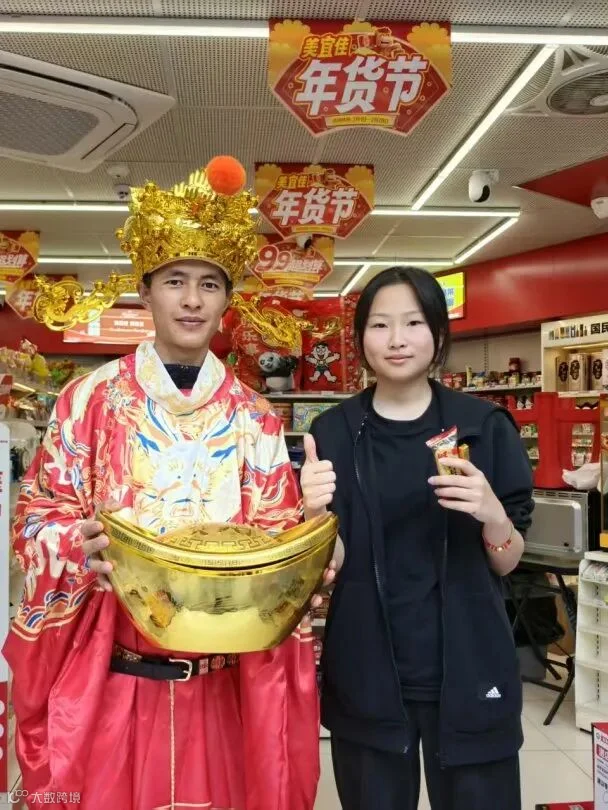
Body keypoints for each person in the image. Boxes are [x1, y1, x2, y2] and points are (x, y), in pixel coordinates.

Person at [3, 160, 320, 810]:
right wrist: (75, 543)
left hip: (223, 686)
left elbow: (276, 535)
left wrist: (310, 535)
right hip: (116, 680)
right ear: (145, 292)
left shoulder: (253, 416)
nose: (192, 300)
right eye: (175, 281)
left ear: (226, 300)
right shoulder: (89, 400)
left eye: (209, 283)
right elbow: (34, 518)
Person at [302, 266, 534, 810]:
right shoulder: (333, 431)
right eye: (380, 325)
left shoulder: (484, 426)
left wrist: (493, 514)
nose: (397, 339)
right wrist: (314, 516)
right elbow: (333, 564)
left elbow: (507, 562)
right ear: (361, 338)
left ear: (438, 333)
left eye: (413, 323)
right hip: (366, 667)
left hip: (472, 664)